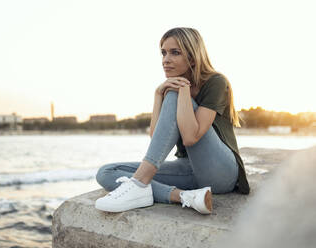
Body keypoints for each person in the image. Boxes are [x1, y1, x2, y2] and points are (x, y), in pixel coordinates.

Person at [95, 27, 250, 214]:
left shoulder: (216, 82)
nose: (165, 60)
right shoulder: (170, 89)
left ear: (192, 58)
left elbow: (190, 137)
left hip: (222, 173)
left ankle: (139, 183)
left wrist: (182, 91)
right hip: (189, 171)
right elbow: (156, 138)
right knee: (106, 173)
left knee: (173, 96)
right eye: (163, 53)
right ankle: (185, 197)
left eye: (175, 53)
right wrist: (158, 95)